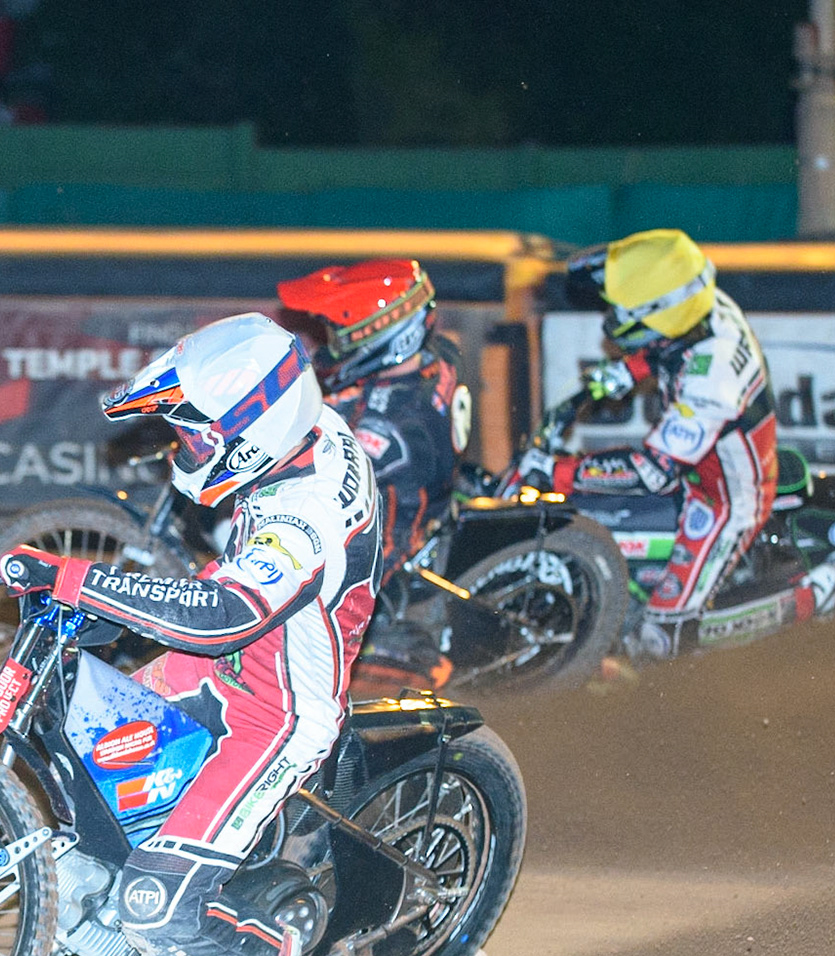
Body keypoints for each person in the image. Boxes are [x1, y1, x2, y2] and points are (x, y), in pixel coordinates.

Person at [0, 312, 382, 956]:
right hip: (229, 657)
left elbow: (222, 617)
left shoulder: (299, 514)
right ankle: (116, 905)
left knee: (152, 913)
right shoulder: (302, 426)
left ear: (254, 431)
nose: (185, 448)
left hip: (275, 711)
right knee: (83, 746)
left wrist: (76, 580)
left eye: (198, 436)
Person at [519, 229, 785, 652]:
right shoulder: (701, 305)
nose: (614, 316)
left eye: (623, 310)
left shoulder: (712, 380)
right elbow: (668, 343)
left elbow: (652, 471)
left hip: (722, 501)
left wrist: (558, 471)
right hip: (696, 467)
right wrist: (626, 373)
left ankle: (690, 688)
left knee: (662, 634)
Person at [277, 257, 468, 691]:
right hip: (424, 496)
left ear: (386, 336)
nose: (333, 345)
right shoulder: (436, 358)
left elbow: (322, 465)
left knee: (292, 626)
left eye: (343, 336)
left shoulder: (395, 423)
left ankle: (403, 658)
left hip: (390, 540)